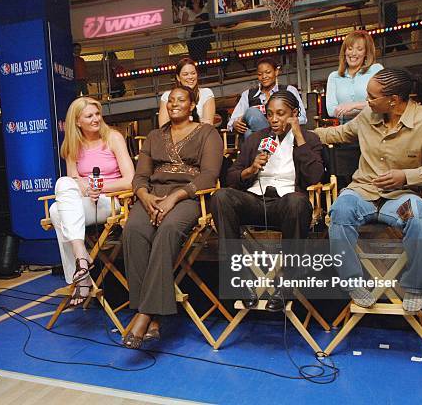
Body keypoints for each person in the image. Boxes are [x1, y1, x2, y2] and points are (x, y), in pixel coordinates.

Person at [315, 68, 422, 312]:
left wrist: (406, 176)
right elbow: (338, 133)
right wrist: (297, 133)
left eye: (371, 97)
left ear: (393, 100)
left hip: (401, 197)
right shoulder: (368, 115)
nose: (366, 102)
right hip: (363, 192)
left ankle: (413, 286)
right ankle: (352, 282)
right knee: (340, 210)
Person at [122, 86, 223, 349]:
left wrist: (175, 197)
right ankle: (152, 316)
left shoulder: (207, 133)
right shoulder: (155, 136)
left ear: (192, 106)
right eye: (170, 101)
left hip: (190, 196)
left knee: (167, 230)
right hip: (153, 195)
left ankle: (144, 315)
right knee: (133, 230)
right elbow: (141, 176)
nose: (174, 104)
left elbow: (209, 175)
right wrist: (144, 197)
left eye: (181, 100)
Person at [212, 90, 323, 311]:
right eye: (270, 114)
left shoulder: (309, 139)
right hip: (256, 200)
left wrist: (299, 137)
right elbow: (231, 176)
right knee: (221, 196)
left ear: (294, 113)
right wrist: (251, 169)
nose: (273, 119)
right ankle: (239, 278)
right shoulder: (256, 139)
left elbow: (315, 177)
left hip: (286, 204)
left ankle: (286, 283)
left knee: (297, 202)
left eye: (281, 114)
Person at [49, 97, 134, 307]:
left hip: (112, 200)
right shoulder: (71, 144)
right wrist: (86, 189)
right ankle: (83, 260)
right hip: (86, 200)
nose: (96, 119)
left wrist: (98, 188)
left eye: (97, 114)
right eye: (89, 116)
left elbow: (130, 180)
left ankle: (80, 272)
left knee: (56, 212)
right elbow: (73, 180)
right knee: (62, 189)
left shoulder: (113, 137)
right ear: (77, 121)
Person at [228, 57, 307, 139]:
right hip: (257, 139)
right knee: (251, 119)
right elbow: (231, 122)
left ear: (276, 72)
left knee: (250, 124)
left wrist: (282, 123)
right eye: (259, 74)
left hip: (284, 136)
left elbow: (302, 118)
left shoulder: (289, 90)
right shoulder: (247, 95)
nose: (264, 76)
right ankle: (270, 142)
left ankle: (270, 141)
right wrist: (235, 124)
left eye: (268, 72)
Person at [325, 30, 383, 124]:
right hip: (346, 132)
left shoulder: (376, 70)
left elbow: (382, 102)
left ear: (366, 53)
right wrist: (366, 108)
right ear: (344, 51)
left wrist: (355, 105)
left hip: (373, 127)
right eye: (350, 48)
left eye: (359, 49)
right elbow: (331, 111)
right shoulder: (334, 77)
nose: (353, 53)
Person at [158, 57, 215, 127]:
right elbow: (163, 128)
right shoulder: (167, 96)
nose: (190, 77)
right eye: (185, 74)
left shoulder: (206, 93)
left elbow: (208, 125)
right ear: (178, 77)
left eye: (193, 73)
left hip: (200, 137)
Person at [182, 0, 214, 64]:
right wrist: (195, 21)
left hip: (202, 36)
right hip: (192, 36)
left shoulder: (205, 9)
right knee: (194, 58)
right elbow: (184, 23)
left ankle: (203, 72)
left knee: (203, 57)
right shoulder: (187, 10)